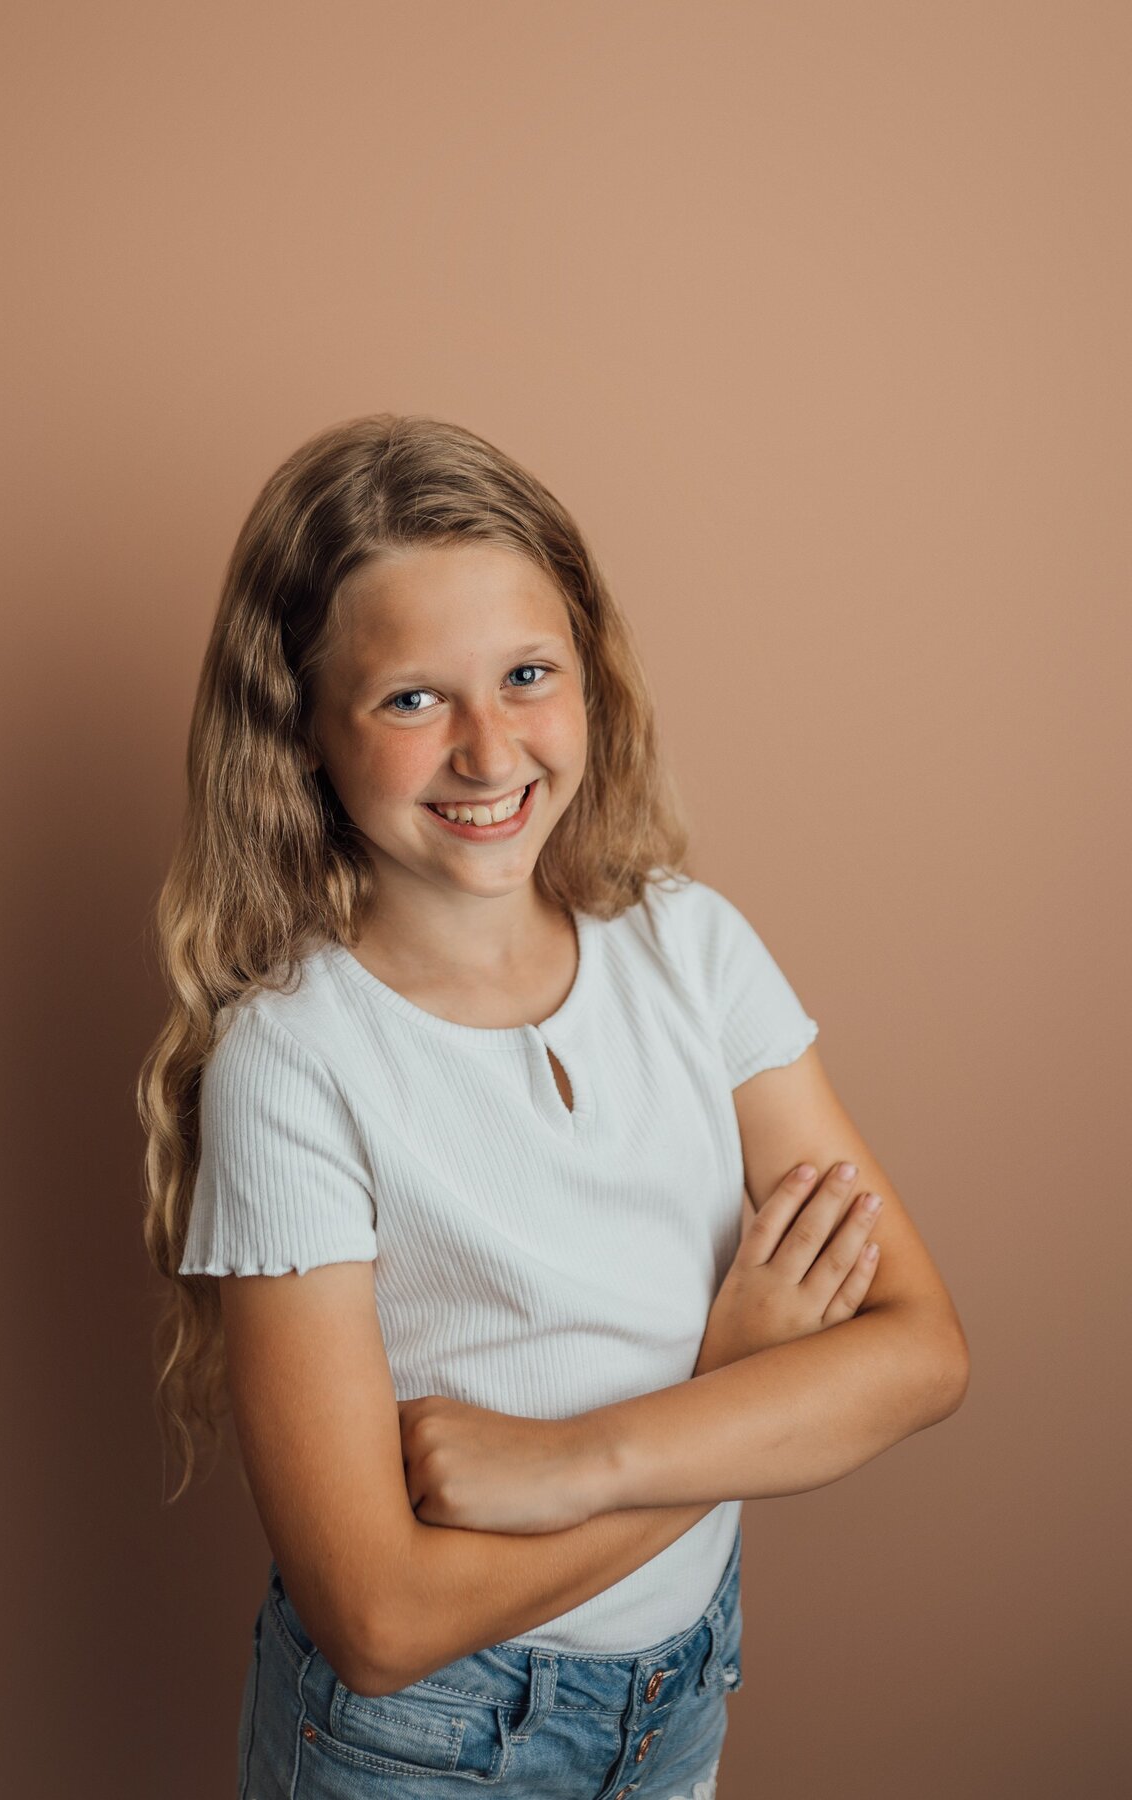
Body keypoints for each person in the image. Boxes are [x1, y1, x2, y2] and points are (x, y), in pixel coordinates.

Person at [138, 413, 969, 1799]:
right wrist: (738, 1402)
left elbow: (924, 1353)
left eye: (528, 675)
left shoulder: (691, 949)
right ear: (301, 733)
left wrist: (581, 1461)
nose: (488, 749)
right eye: (413, 699)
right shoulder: (294, 1066)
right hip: (426, 1745)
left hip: (683, 1685)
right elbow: (383, 1620)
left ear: (590, 676)